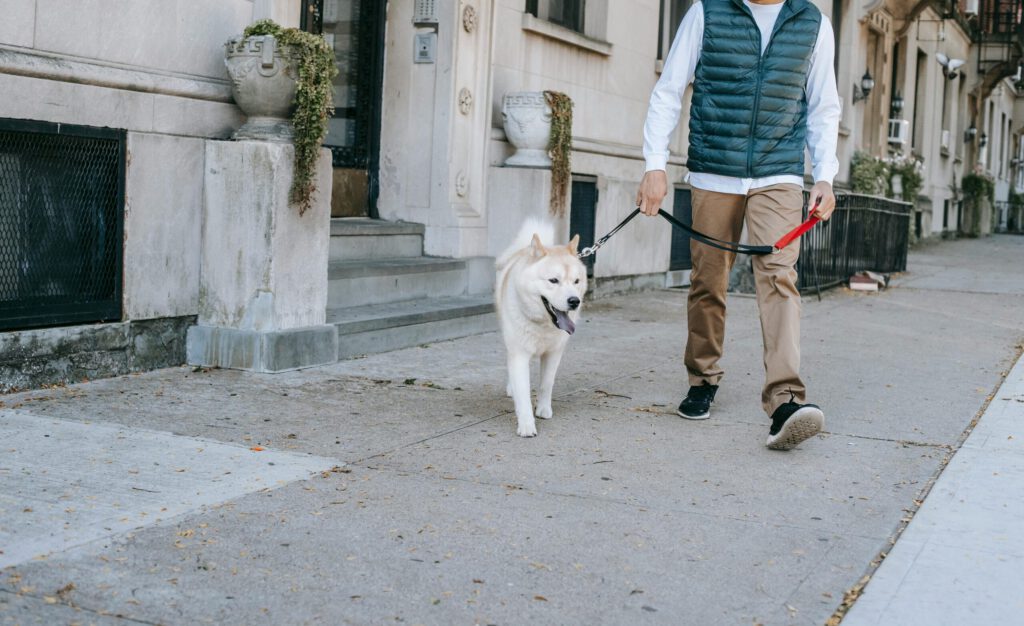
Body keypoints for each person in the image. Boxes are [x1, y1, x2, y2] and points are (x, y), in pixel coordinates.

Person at [637, 0, 841, 450]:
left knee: (779, 276)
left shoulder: (812, 23)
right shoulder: (707, 13)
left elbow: (823, 105)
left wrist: (824, 174)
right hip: (714, 169)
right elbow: (669, 88)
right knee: (709, 279)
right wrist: (654, 165)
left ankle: (786, 399)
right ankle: (703, 377)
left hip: (779, 173)